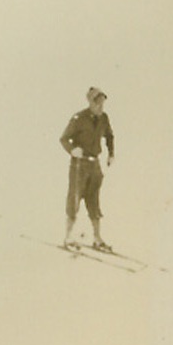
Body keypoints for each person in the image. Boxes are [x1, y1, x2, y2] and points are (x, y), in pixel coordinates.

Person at [60, 87, 116, 252]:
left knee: (94, 201)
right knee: (74, 199)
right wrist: (72, 150)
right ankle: (69, 237)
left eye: (102, 103)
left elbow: (110, 136)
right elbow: (64, 138)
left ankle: (97, 239)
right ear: (90, 102)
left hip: (95, 165)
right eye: (97, 103)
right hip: (79, 166)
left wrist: (111, 153)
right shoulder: (79, 118)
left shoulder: (104, 118)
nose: (100, 106)